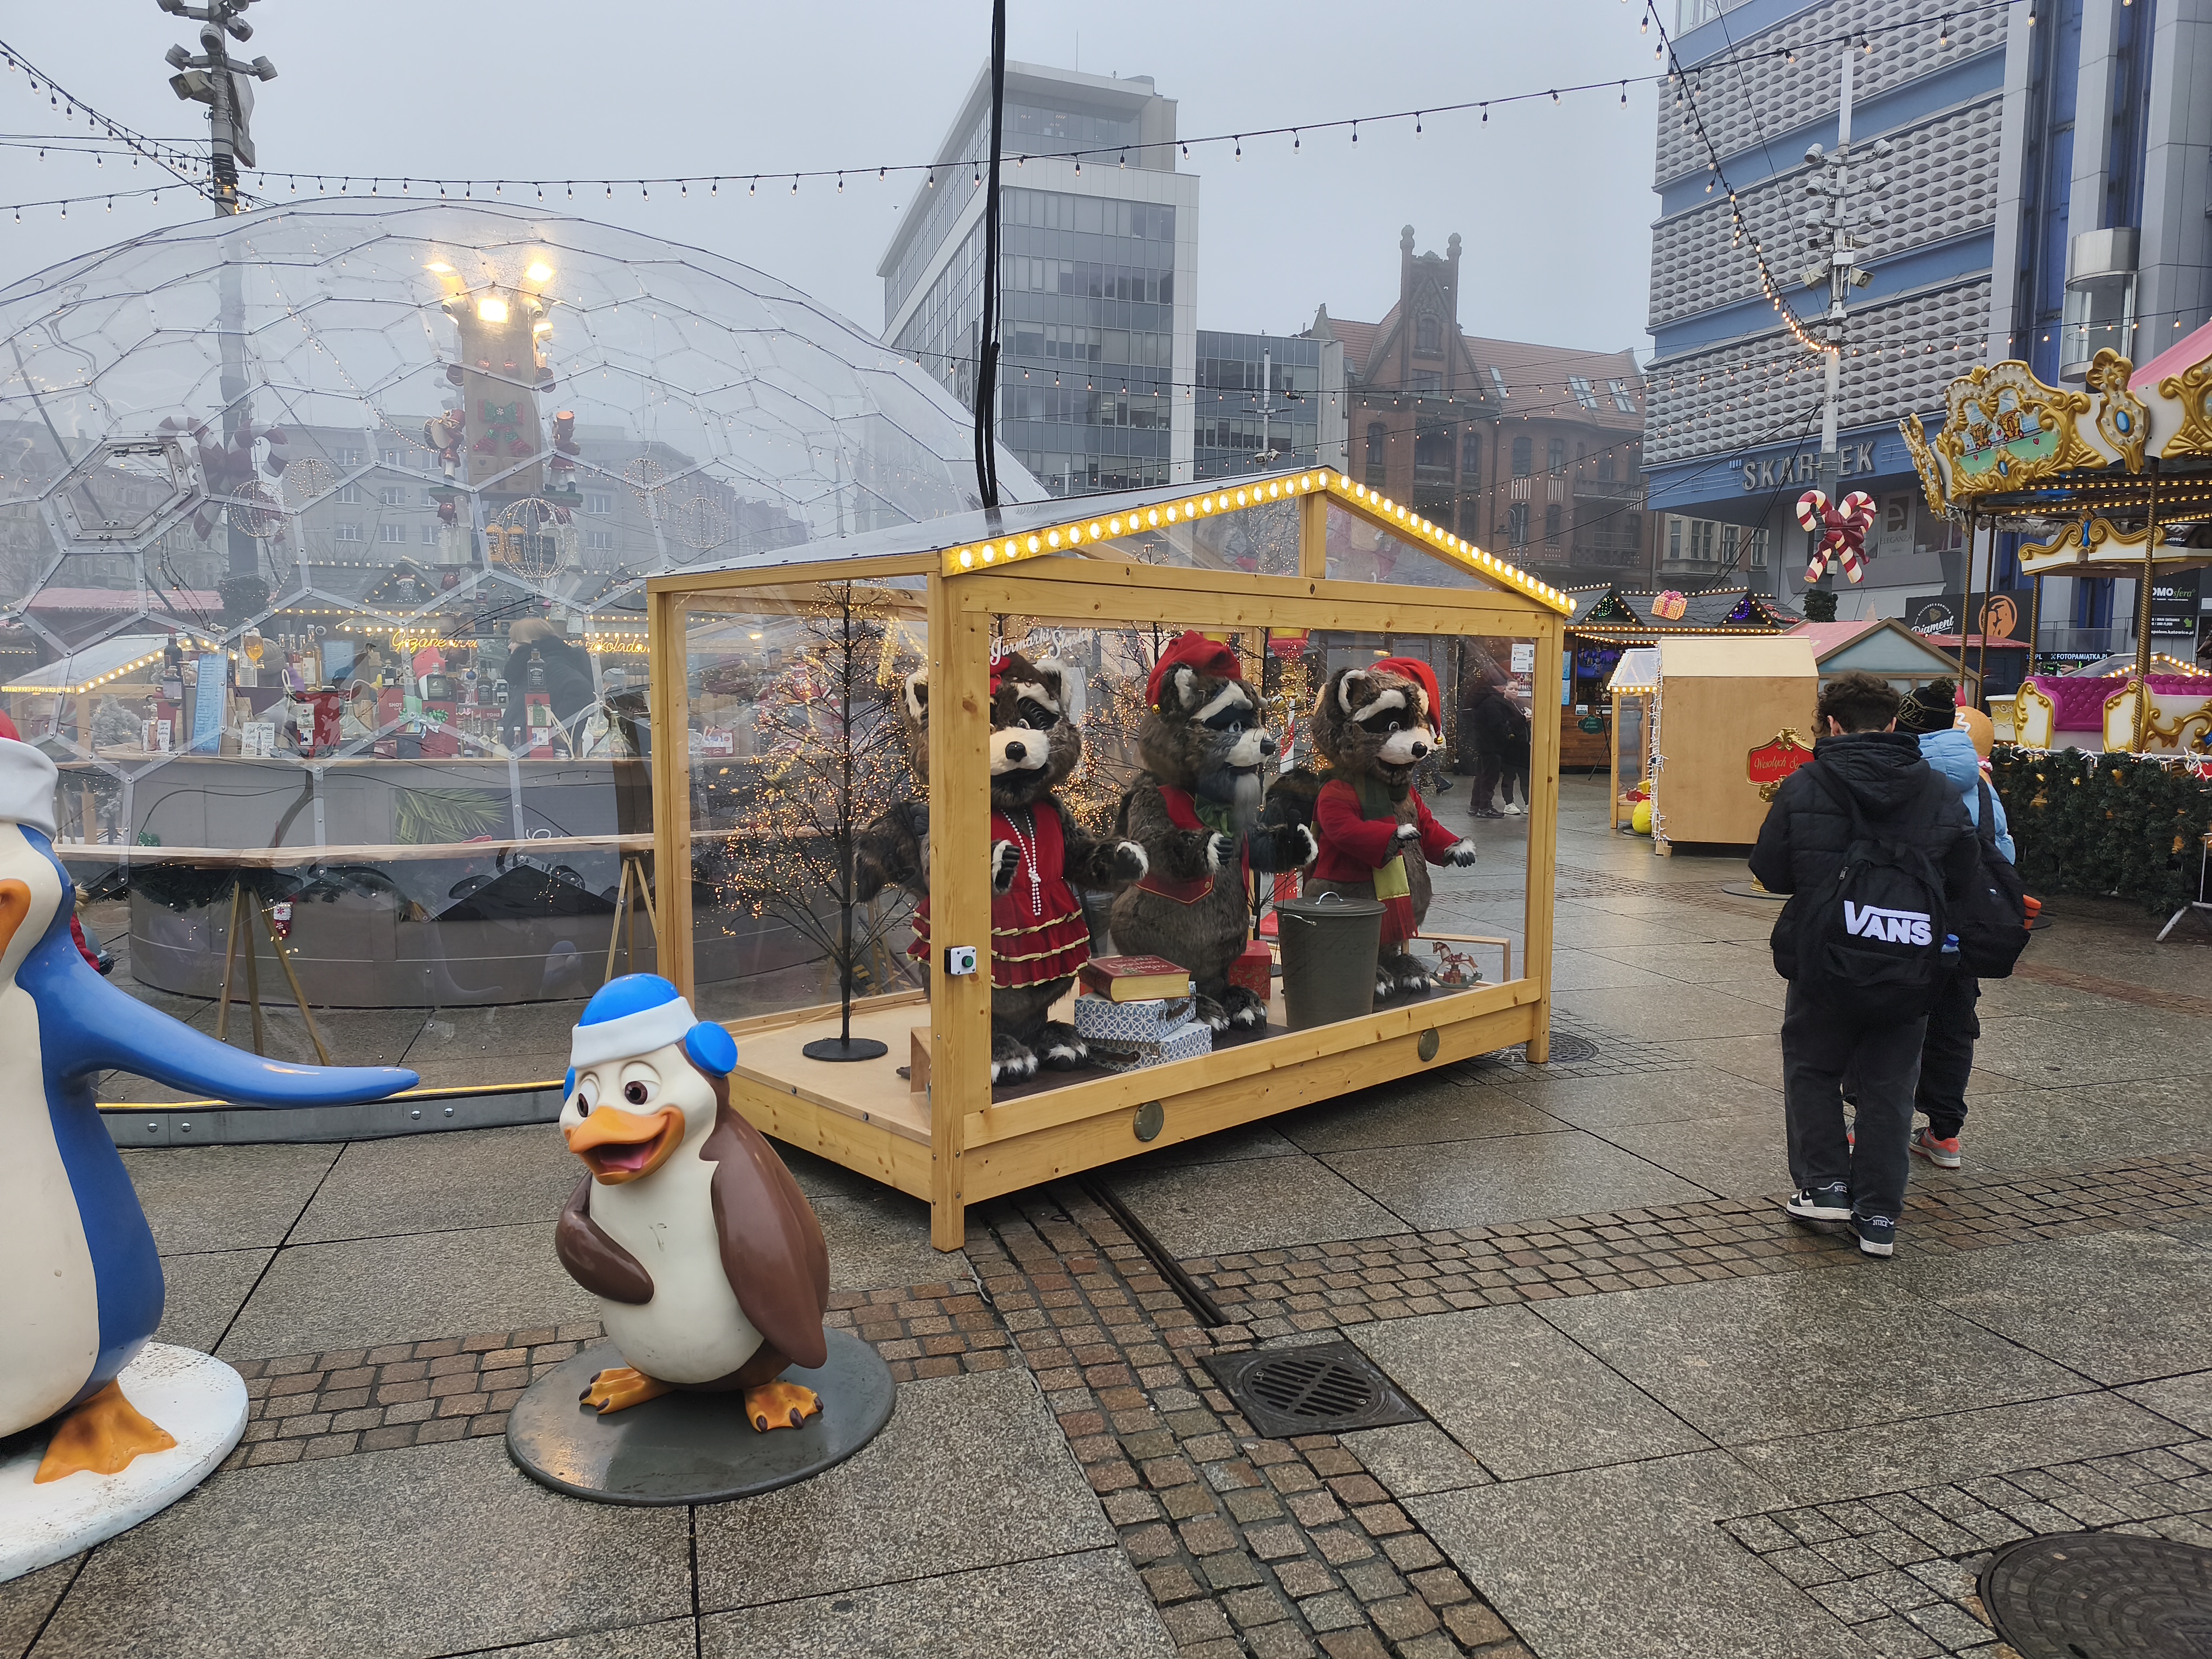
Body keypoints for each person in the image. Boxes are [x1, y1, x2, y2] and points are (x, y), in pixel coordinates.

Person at [1750, 670, 1981, 1258]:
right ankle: (1878, 1216)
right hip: (1908, 959)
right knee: (1890, 1085)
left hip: (1824, 954)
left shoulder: (1806, 783)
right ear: (1895, 723)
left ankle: (1825, 1185)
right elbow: (1964, 875)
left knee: (1813, 1067)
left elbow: (1771, 871)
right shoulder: (1938, 789)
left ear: (1832, 724)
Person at [1893, 679, 2012, 1170]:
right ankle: (1944, 1135)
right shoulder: (1981, 782)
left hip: (1903, 924)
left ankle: (1874, 1122)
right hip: (1962, 930)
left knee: (1889, 1019)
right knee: (1954, 1027)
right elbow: (2002, 853)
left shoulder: (1899, 776)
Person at [1459, 669, 1514, 819]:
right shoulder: (1493, 702)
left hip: (1482, 744)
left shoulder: (1482, 698)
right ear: (1499, 686)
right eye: (1504, 686)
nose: (1505, 689)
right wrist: (1508, 732)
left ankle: (1475, 806)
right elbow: (1497, 724)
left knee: (1481, 776)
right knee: (1490, 778)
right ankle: (1485, 807)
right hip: (1492, 745)